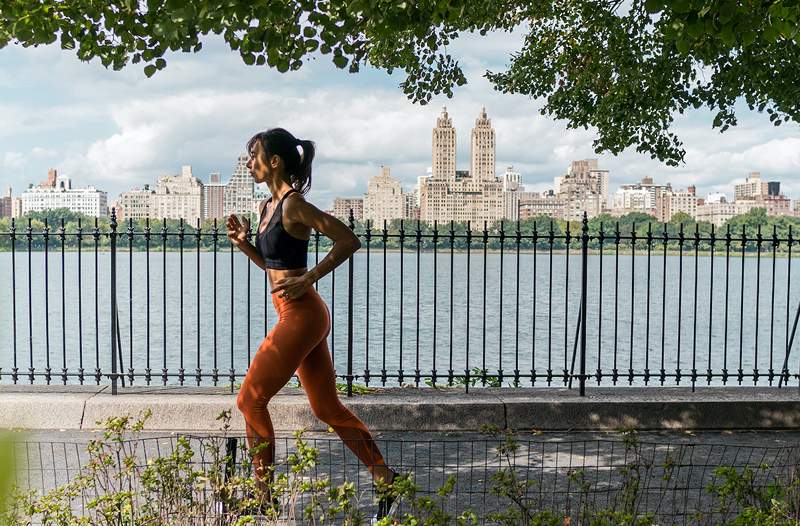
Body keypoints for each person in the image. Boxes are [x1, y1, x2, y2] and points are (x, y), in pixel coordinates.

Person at [226, 127, 398, 520]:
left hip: (303, 315)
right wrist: (245, 245)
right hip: (298, 313)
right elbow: (274, 268)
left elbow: (348, 239)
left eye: (255, 155)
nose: (249, 162)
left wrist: (311, 276)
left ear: (275, 162)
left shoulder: (293, 205)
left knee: (250, 399)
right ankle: (386, 478)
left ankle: (262, 496)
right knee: (326, 408)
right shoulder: (266, 208)